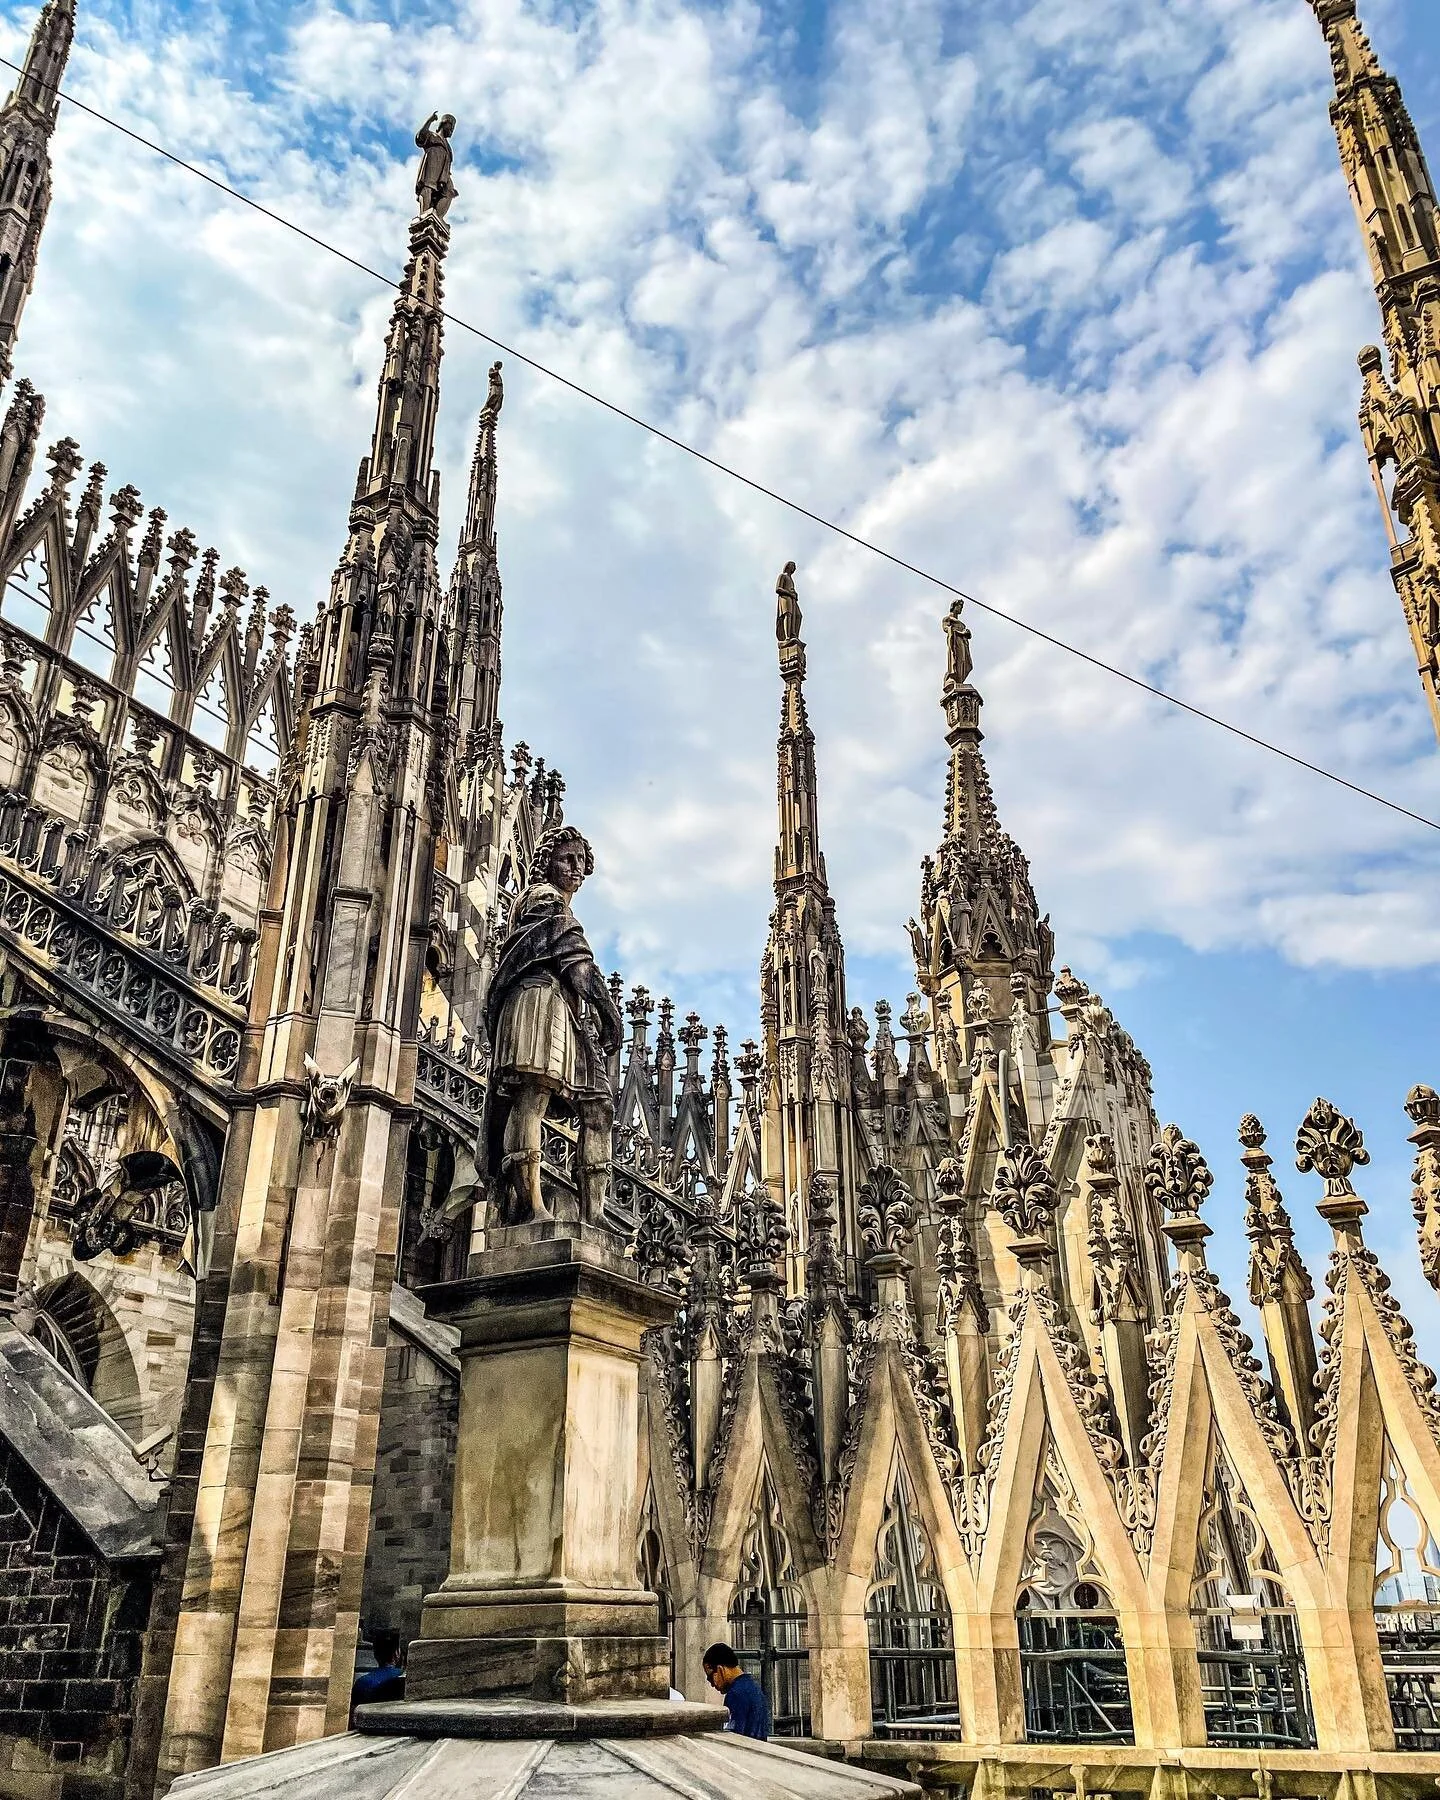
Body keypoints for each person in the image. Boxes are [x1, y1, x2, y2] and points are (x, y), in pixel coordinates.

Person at [702, 1642, 770, 1740]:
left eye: (710, 1678)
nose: (712, 1685)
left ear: (720, 1669)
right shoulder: (754, 1688)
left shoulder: (735, 1694)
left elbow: (732, 1738)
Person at [349, 1627, 405, 1724]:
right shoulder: (404, 1678)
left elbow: (353, 1718)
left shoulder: (362, 1683)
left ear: (375, 1654)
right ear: (397, 1653)